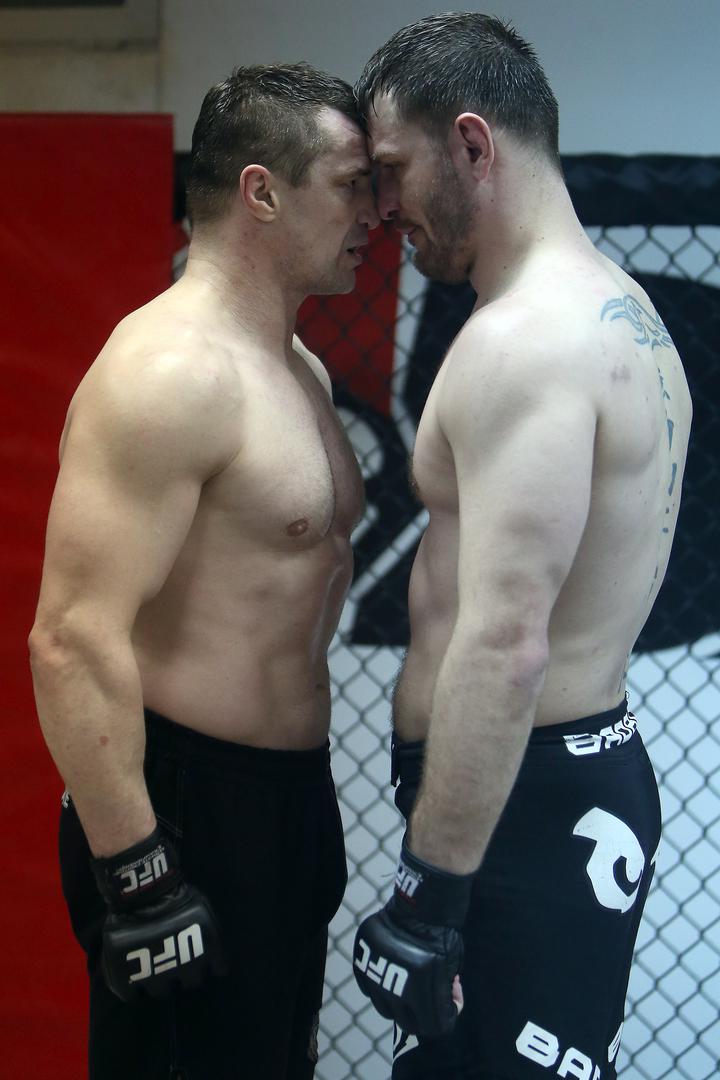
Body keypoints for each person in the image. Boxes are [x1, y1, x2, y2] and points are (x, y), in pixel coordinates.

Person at [352, 13, 691, 1079]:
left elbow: (505, 644)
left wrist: (430, 894)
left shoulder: (528, 342)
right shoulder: (618, 312)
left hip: (524, 814)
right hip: (553, 789)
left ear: (472, 144)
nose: (382, 205)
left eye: (393, 168)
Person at [29, 62, 378, 1080]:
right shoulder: (170, 372)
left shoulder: (300, 371)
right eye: (350, 184)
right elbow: (71, 636)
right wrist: (137, 871)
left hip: (287, 797)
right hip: (182, 806)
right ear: (261, 191)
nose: (374, 213)